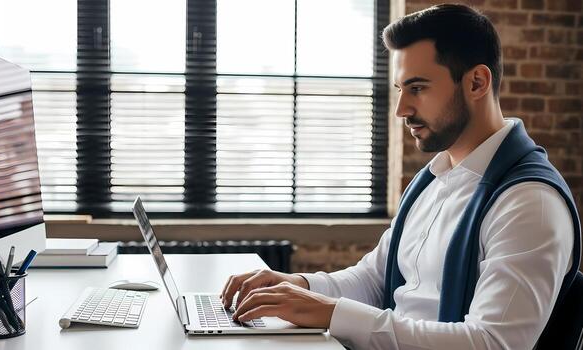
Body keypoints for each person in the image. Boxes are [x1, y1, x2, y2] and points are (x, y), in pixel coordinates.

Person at [219, 4, 581, 349]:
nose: (401, 109)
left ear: (476, 83)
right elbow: (374, 280)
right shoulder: (434, 178)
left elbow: (491, 343)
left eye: (418, 88)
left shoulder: (529, 202)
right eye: (400, 89)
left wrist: (330, 314)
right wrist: (296, 287)